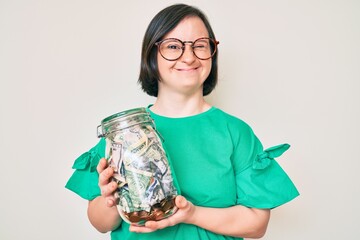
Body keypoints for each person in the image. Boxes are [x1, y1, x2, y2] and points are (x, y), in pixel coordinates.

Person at [65, 3, 299, 240]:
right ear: (151, 55)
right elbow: (101, 224)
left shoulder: (235, 132)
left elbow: (256, 224)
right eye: (174, 46)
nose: (189, 57)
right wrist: (111, 199)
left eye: (200, 46)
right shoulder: (126, 131)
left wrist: (192, 214)